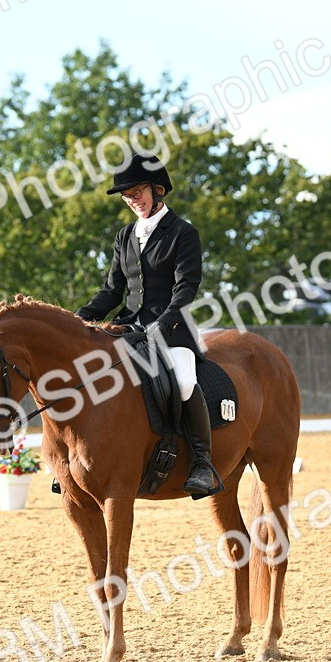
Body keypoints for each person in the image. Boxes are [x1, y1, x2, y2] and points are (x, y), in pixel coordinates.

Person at [75, 153, 217, 495]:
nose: (132, 200)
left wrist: (165, 323)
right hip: (130, 326)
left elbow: (186, 287)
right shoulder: (125, 236)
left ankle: (202, 462)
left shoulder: (182, 232)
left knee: (183, 382)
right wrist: (78, 319)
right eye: (127, 196)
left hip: (173, 327)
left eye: (137, 192)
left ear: (157, 190)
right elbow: (113, 290)